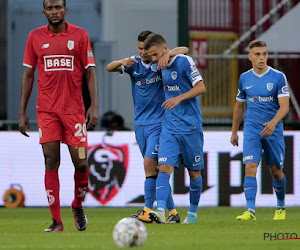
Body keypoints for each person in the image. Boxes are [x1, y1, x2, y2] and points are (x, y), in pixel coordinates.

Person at [19, 0, 99, 232]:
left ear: (65, 9)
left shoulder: (80, 35)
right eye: (50, 8)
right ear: (44, 11)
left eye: (58, 7)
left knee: (81, 163)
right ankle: (57, 221)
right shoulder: (34, 37)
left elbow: (90, 73)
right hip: (47, 111)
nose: (54, 12)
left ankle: (77, 205)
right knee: (51, 160)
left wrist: (93, 106)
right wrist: (22, 112)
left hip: (74, 111)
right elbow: (28, 75)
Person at [106, 31, 188, 223]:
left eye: (146, 49)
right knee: (155, 170)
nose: (143, 53)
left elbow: (185, 49)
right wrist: (121, 62)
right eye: (140, 48)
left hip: (159, 124)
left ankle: (147, 209)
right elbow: (109, 67)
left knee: (149, 164)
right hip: (140, 125)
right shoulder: (133, 65)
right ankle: (173, 212)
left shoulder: (161, 62)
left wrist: (169, 54)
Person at [143, 34, 206, 224]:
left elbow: (201, 87)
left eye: (155, 54)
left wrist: (178, 98)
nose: (153, 59)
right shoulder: (158, 65)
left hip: (191, 126)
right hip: (169, 126)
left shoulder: (185, 62)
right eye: (150, 56)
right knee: (164, 167)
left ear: (164, 49)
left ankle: (193, 214)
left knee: (194, 173)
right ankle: (161, 211)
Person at [230, 40, 290, 221]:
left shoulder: (278, 77)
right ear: (250, 57)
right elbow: (239, 106)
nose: (262, 57)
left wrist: (273, 123)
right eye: (257, 54)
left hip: (273, 131)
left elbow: (284, 107)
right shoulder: (244, 78)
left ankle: (280, 207)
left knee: (276, 170)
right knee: (250, 167)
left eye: (264, 54)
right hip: (252, 130)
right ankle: (250, 211)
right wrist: (234, 131)